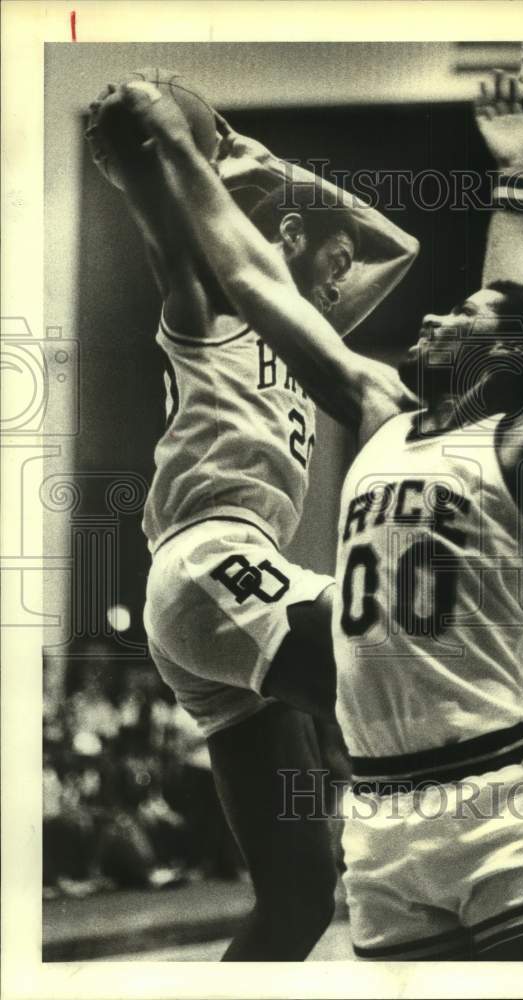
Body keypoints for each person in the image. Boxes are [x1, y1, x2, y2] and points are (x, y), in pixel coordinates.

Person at [110, 71, 523, 961]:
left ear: (503, 357)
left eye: (460, 311)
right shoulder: (380, 405)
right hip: (385, 818)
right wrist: (172, 151)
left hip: (501, 801)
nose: (430, 312)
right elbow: (246, 273)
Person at [86, 81, 418, 960]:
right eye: (329, 252)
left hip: (225, 595)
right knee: (399, 683)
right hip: (208, 555)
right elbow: (169, 234)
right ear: (287, 238)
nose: (346, 271)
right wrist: (161, 156)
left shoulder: (312, 337)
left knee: (300, 898)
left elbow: (400, 246)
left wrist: (263, 162)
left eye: (346, 263)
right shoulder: (213, 311)